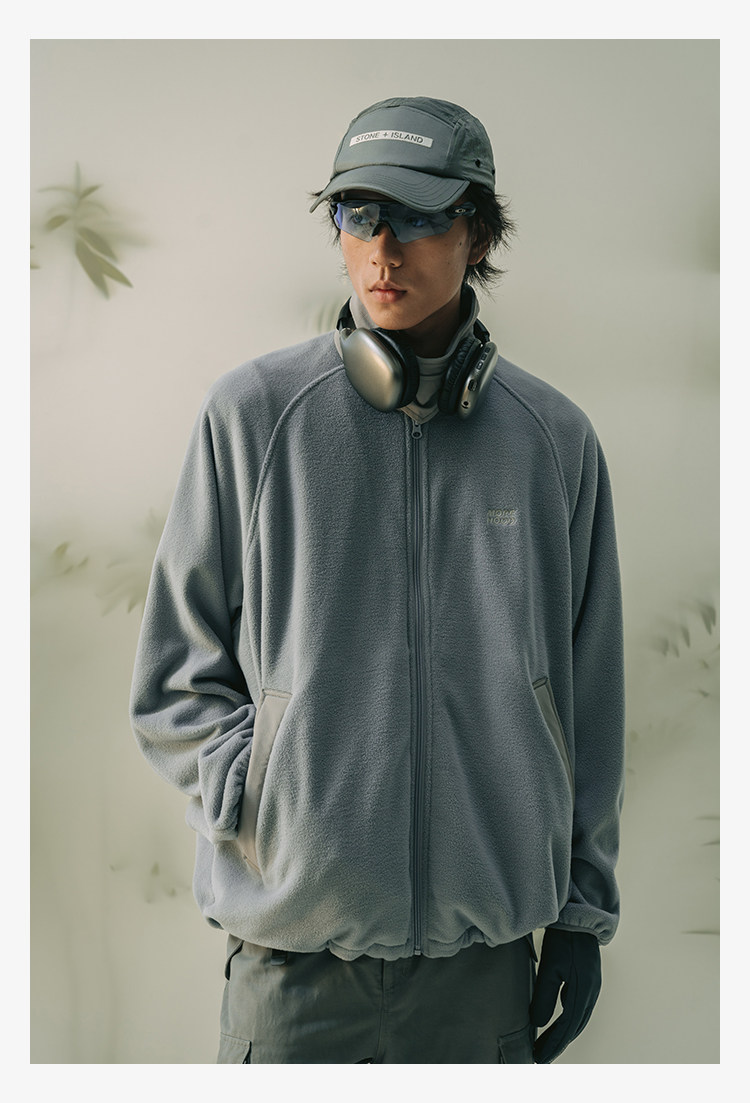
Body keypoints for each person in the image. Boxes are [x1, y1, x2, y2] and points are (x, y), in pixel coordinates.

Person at [130, 96, 625, 1065]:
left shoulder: (554, 442)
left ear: (476, 232)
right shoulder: (251, 417)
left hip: (482, 975)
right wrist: (267, 794)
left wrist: (581, 910)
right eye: (359, 215)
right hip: (289, 974)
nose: (382, 250)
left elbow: (590, 699)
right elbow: (172, 679)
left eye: (416, 216)